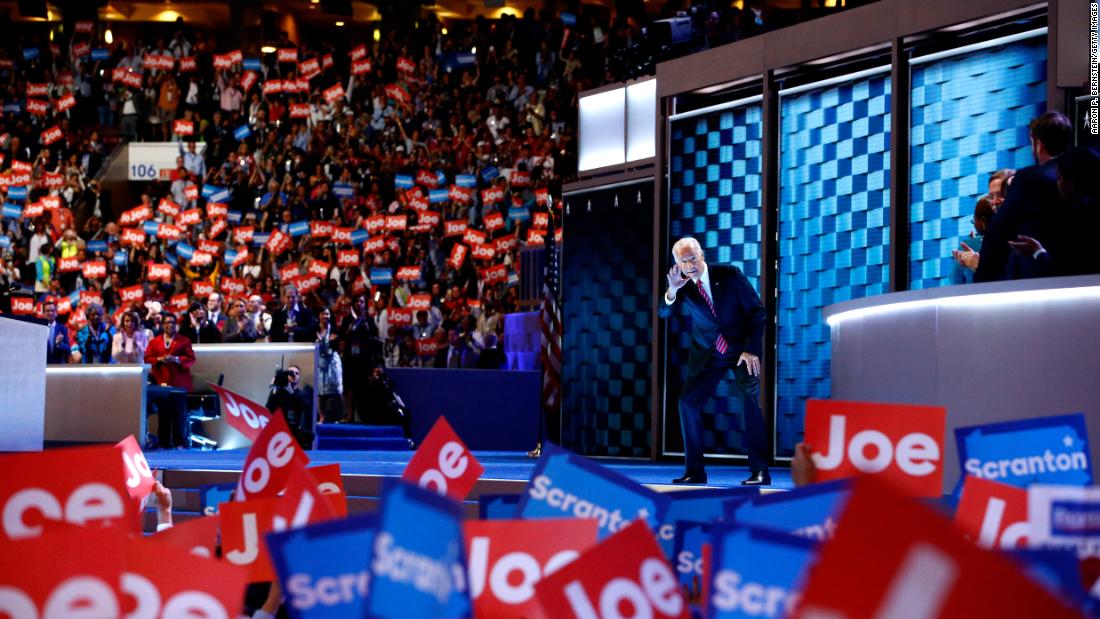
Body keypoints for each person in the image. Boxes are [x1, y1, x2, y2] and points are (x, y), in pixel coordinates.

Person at [658, 237, 769, 486]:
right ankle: (695, 472)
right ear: (677, 264)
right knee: (687, 402)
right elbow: (663, 312)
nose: (689, 266)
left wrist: (751, 349)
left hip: (741, 350)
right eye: (683, 262)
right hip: (708, 353)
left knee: (750, 403)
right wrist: (672, 290)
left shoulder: (729, 274)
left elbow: (757, 312)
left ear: (702, 255)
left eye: (693, 259)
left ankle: (760, 471)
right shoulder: (681, 285)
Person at [974, 112, 1072, 282]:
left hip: (1037, 279)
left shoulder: (1029, 178)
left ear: (1038, 144)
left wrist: (981, 278)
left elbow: (999, 233)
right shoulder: (1085, 173)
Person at [145, 313, 196, 449]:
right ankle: (165, 443)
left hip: (179, 383)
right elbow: (147, 358)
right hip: (161, 382)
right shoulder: (154, 342)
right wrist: (159, 359)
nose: (170, 325)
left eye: (173, 322)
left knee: (179, 414)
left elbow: (191, 359)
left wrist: (177, 359)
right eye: (167, 322)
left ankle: (180, 443)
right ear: (162, 325)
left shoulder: (184, 341)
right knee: (164, 414)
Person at [315, 308, 344, 423]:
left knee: (336, 390)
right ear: (319, 315)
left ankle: (338, 416)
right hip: (319, 361)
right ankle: (321, 416)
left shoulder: (335, 329)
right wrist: (318, 340)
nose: (325, 316)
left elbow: (339, 345)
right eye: (323, 313)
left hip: (332, 361)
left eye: (327, 314)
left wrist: (333, 342)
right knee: (320, 391)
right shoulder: (314, 329)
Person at [42, 300, 70, 364]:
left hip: (58, 367)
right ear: (43, 313)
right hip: (43, 365)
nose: (50, 313)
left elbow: (68, 349)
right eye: (48, 311)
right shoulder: (40, 328)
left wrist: (60, 344)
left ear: (56, 313)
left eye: (52, 311)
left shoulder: (63, 328)